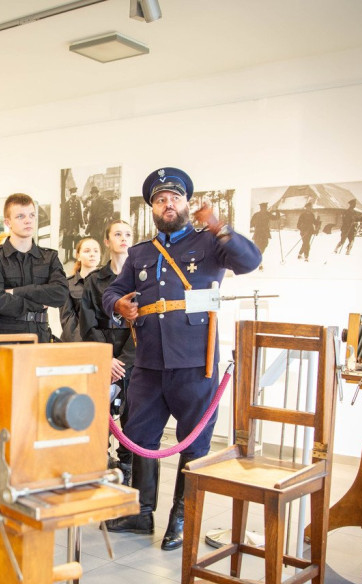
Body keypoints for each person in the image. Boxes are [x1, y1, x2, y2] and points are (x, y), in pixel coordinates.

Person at [102, 167, 261, 551]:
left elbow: (250, 260)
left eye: (173, 198)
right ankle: (140, 512)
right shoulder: (140, 253)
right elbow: (113, 292)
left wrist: (220, 226)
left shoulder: (210, 243)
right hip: (150, 363)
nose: (167, 204)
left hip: (195, 360)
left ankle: (182, 516)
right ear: (152, 208)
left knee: (194, 441)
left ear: (186, 203)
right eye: (159, 200)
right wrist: (118, 304)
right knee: (139, 437)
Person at [79, 220, 135, 486]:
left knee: (133, 423)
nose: (123, 238)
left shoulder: (140, 281)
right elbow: (87, 323)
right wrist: (106, 359)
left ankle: (127, 475)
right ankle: (99, 475)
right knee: (99, 422)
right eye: (117, 234)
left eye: (127, 234)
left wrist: (122, 361)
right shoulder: (94, 281)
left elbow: (144, 325)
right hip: (102, 359)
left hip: (133, 361)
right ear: (107, 240)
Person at [0, 193, 67, 343]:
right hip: (7, 335)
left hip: (40, 334)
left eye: (31, 215)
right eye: (20, 216)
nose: (28, 220)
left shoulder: (49, 257)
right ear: (7, 222)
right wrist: (39, 303)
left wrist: (15, 292)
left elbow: (60, 294)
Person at [60, 237, 100, 342]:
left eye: (96, 251)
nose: (92, 254)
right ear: (78, 256)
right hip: (77, 345)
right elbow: (68, 321)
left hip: (104, 346)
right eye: (87, 251)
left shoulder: (110, 284)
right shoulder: (67, 285)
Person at [60, 186, 85, 262]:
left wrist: (82, 224)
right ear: (70, 195)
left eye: (75, 196)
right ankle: (66, 257)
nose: (74, 197)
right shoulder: (66, 204)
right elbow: (63, 216)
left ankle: (72, 256)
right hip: (68, 225)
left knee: (75, 241)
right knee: (67, 240)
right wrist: (63, 226)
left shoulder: (78, 203)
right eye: (73, 196)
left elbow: (80, 214)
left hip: (75, 225)